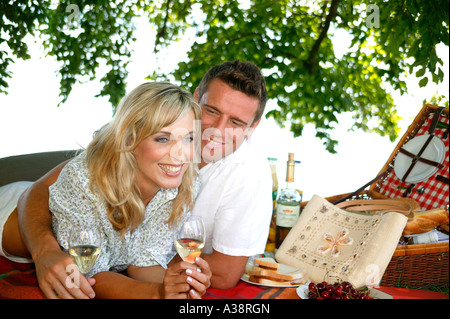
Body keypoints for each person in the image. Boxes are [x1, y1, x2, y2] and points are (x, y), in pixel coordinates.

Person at [10, 60, 273, 298]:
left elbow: (143, 264)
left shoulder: (185, 181)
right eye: (212, 110)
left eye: (236, 122)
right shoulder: (90, 172)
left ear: (252, 128)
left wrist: (173, 285)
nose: (217, 130)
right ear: (196, 101)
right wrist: (43, 249)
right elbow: (40, 190)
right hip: (12, 216)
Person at [0, 81, 211, 298]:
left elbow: (143, 265)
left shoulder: (185, 184)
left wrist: (179, 286)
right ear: (130, 138)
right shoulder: (86, 178)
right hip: (8, 210)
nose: (180, 154)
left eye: (189, 138)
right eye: (162, 138)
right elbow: (91, 276)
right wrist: (157, 293)